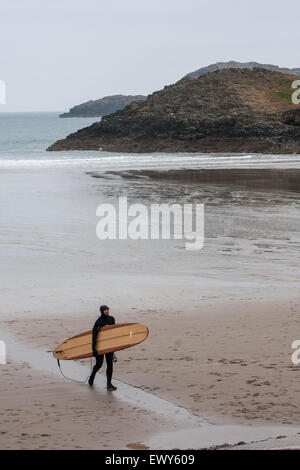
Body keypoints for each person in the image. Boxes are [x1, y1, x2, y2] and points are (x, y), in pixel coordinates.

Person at [88, 305, 117, 391]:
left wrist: (114, 346)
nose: (107, 311)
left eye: (108, 309)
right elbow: (94, 335)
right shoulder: (98, 321)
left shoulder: (112, 319)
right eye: (105, 310)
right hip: (99, 346)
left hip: (108, 345)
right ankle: (92, 376)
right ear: (101, 311)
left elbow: (113, 332)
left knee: (110, 365)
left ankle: (109, 384)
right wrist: (94, 349)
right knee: (99, 364)